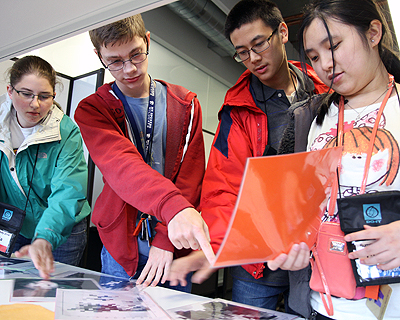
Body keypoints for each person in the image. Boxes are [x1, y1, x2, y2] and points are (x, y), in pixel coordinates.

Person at [167, 0, 327, 311]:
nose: (253, 58)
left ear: (282, 32)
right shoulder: (238, 108)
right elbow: (223, 184)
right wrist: (216, 246)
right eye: (242, 52)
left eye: (258, 44)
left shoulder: (324, 87)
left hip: (313, 253)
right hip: (256, 264)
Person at [267, 0, 400, 319]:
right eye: (314, 56)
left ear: (373, 33)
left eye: (334, 45)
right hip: (320, 307)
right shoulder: (306, 120)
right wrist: (287, 244)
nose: (325, 64)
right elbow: (291, 209)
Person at [74, 14, 213, 291]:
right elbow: (122, 167)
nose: (128, 69)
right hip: (120, 244)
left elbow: (190, 178)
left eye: (136, 54)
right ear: (98, 56)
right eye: (114, 61)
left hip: (174, 246)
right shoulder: (93, 109)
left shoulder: (185, 104)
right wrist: (173, 210)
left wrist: (165, 238)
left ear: (147, 40)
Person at [0, 55, 90, 279]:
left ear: (54, 96)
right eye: (26, 94)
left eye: (44, 96)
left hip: (62, 229)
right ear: (10, 91)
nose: (35, 104)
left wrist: (45, 237)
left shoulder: (65, 132)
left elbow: (68, 190)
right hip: (15, 223)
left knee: (51, 290)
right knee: (12, 288)